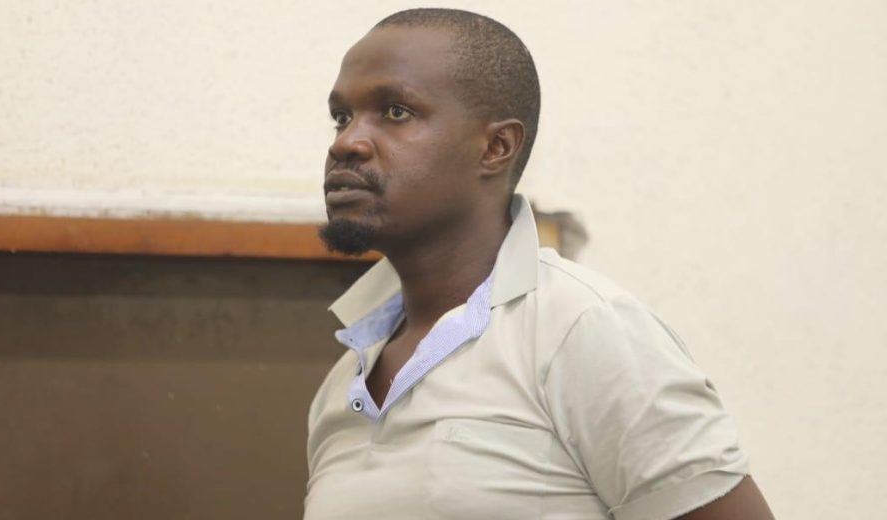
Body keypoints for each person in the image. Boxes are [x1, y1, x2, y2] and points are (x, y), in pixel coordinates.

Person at [306, 8, 774, 520]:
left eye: (396, 112)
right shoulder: (344, 382)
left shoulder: (582, 329)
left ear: (496, 147)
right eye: (342, 116)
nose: (346, 142)